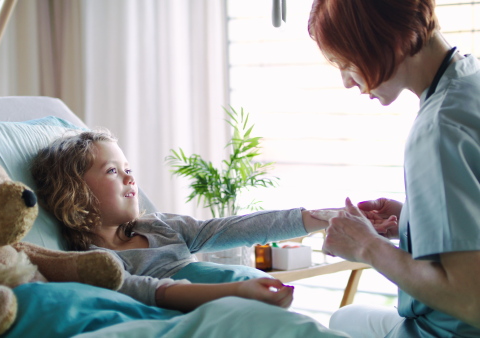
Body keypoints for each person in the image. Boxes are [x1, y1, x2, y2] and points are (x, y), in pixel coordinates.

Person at [308, 0, 480, 337]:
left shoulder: (437, 129)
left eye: (347, 62)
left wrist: (367, 247)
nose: (346, 81)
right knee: (346, 318)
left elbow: (471, 301)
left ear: (388, 39)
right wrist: (412, 220)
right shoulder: (470, 78)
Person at [30, 129, 336, 313]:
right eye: (112, 170)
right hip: (215, 307)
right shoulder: (97, 261)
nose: (129, 176)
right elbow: (152, 291)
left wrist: (321, 218)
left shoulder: (160, 227)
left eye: (128, 167)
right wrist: (238, 293)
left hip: (247, 294)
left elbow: (234, 228)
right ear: (75, 192)